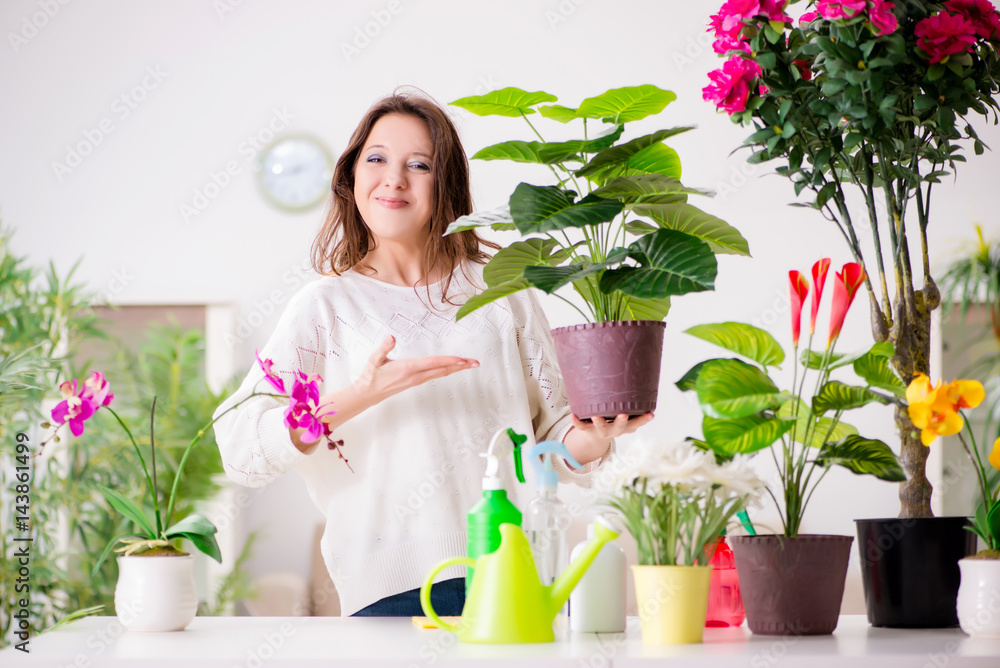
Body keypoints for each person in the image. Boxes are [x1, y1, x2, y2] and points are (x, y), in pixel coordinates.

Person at [213, 90, 654, 617]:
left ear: (444, 183)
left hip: (511, 575)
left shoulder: (503, 291)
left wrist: (596, 435)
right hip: (389, 593)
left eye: (418, 164)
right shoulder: (326, 305)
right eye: (376, 159)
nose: (394, 178)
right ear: (352, 175)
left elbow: (551, 438)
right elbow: (241, 448)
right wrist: (360, 395)